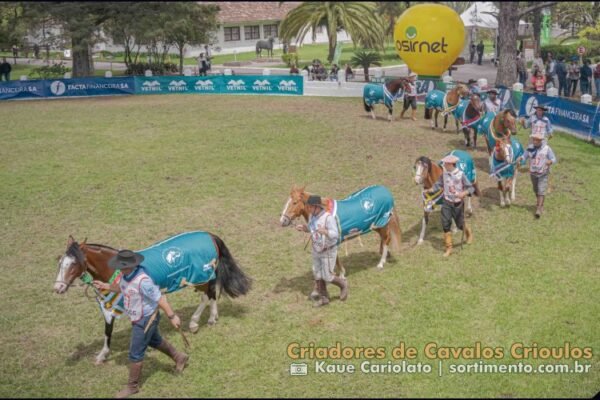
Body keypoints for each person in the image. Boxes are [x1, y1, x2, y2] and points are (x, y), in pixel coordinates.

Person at [92, 250, 189, 398]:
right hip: (138, 317)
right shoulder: (126, 275)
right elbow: (122, 287)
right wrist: (106, 286)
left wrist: (172, 316)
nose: (121, 269)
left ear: (132, 265)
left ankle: (132, 386)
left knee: (135, 352)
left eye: (123, 267)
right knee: (154, 340)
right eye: (120, 267)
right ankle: (179, 357)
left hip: (145, 319)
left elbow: (160, 298)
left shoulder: (143, 281)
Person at [295, 195, 348, 307]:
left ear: (317, 207)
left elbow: (336, 235)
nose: (308, 209)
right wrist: (305, 228)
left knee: (327, 276)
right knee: (317, 274)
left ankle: (343, 285)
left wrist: (326, 232)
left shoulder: (328, 218)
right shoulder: (312, 217)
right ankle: (324, 298)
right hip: (316, 250)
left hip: (328, 251)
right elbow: (312, 229)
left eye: (310, 207)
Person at [424, 154, 475, 257]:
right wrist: (429, 190)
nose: (444, 165)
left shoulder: (460, 175)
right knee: (445, 223)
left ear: (451, 164)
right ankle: (449, 248)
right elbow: (438, 185)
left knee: (460, 224)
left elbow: (471, 188)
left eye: (446, 163)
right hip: (446, 202)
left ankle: (468, 232)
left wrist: (463, 194)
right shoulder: (444, 175)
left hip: (457, 204)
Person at [517, 132, 557, 218]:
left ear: (541, 140)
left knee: (541, 190)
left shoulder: (547, 149)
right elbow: (525, 156)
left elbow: (553, 158)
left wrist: (550, 161)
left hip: (543, 173)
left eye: (537, 140)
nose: (535, 141)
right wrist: (520, 159)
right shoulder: (530, 148)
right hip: (533, 173)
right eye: (534, 139)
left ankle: (538, 209)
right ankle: (540, 204)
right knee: (536, 189)